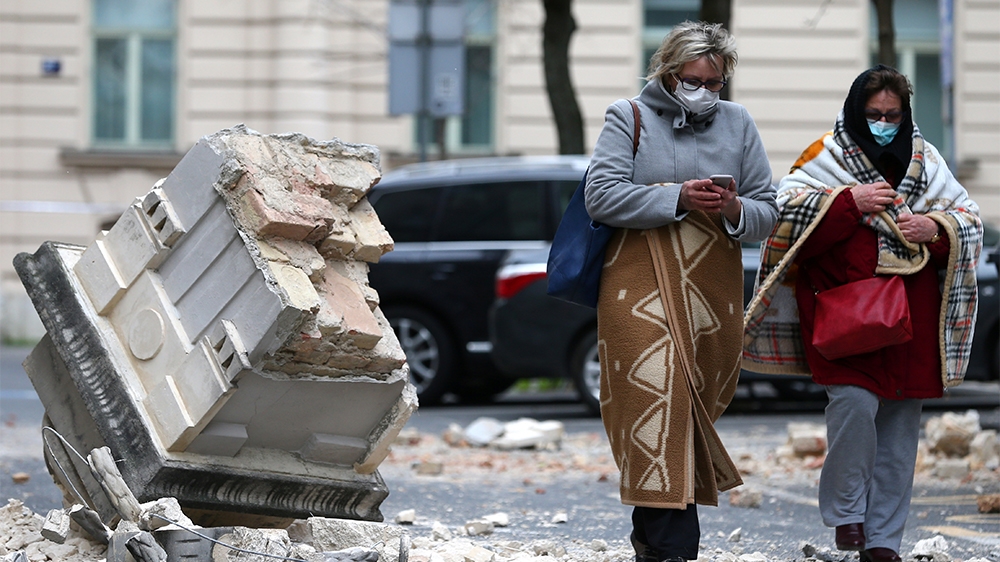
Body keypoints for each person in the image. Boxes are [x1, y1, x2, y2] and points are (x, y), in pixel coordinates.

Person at [743, 65, 982, 562]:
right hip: (843, 317)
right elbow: (785, 221)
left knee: (898, 439)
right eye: (873, 114)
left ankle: (883, 544)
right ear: (856, 111)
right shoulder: (822, 156)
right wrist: (848, 202)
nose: (883, 122)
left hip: (911, 324)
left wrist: (933, 228)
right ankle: (847, 513)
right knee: (852, 408)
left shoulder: (927, 158)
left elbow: (968, 219)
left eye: (893, 115)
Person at [584, 21, 778, 562]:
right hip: (635, 280)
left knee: (686, 409)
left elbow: (768, 210)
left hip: (710, 293)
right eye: (694, 79)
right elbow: (600, 195)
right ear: (669, 74)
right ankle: (674, 549)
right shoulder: (630, 116)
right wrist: (677, 196)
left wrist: (735, 208)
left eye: (715, 82)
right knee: (656, 396)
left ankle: (651, 537)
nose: (705, 91)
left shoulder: (738, 124)